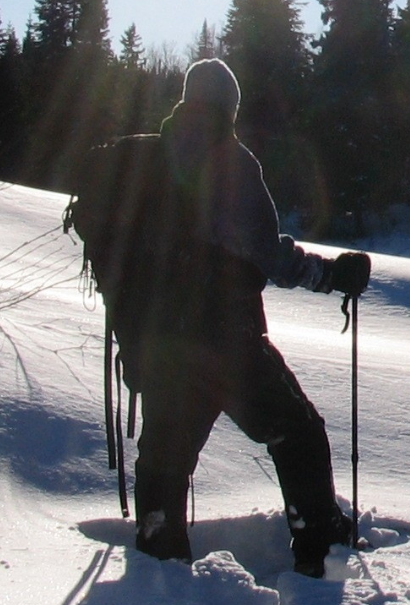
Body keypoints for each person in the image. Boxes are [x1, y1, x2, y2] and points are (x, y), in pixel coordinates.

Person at [122, 58, 372, 577]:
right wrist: (329, 277)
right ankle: (318, 542)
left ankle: (156, 566)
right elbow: (265, 253)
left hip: (160, 339)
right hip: (224, 338)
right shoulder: (231, 162)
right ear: (229, 106)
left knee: (165, 454)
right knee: (297, 430)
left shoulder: (150, 158)